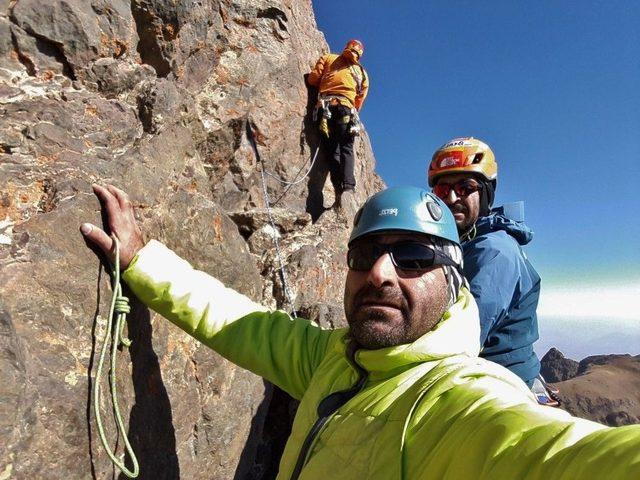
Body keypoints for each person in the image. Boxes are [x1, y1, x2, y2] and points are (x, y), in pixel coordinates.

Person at [81, 184, 640, 479]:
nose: (380, 272)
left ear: (453, 282)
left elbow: (555, 455)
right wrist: (140, 259)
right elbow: (235, 321)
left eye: (413, 257)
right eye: (366, 254)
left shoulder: (456, 402)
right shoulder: (335, 358)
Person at [427, 137, 546, 392]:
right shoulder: (464, 244)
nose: (450, 197)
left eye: (464, 187)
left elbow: (459, 339)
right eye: (441, 190)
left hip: (496, 388)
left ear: (485, 193)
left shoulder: (492, 251)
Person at [307, 39, 369, 210]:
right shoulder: (362, 74)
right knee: (347, 148)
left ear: (345, 47)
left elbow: (313, 80)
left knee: (332, 150)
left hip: (325, 109)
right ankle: (349, 187)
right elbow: (359, 101)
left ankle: (338, 189)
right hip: (346, 110)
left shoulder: (328, 58)